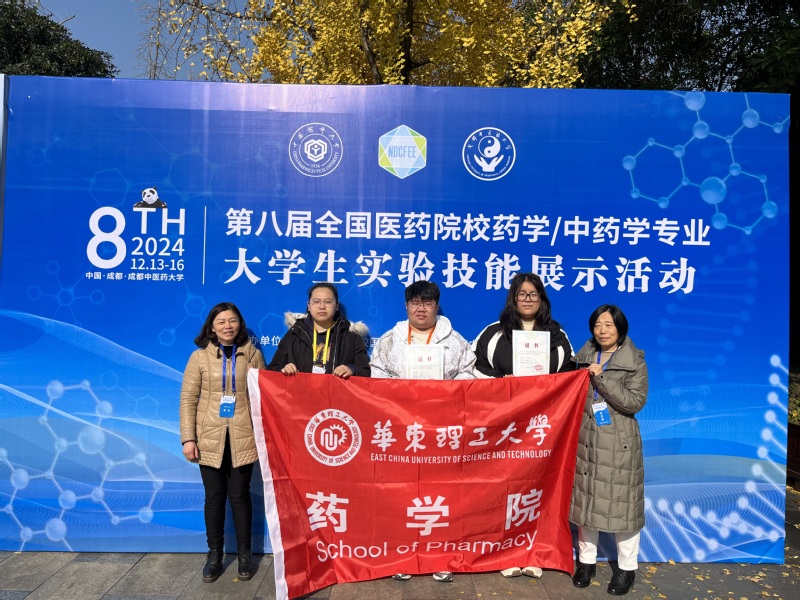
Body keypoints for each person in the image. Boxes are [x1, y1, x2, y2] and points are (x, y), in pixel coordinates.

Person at [370, 280, 476, 583]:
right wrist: (401, 395)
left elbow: (468, 375)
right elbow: (376, 375)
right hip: (402, 429)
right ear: (406, 306)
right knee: (401, 494)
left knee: (441, 494)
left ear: (436, 306)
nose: (421, 308)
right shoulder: (389, 340)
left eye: (427, 303)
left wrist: (445, 393)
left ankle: (440, 556)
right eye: (415, 302)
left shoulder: (455, 341)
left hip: (441, 429)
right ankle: (402, 555)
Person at [472, 272, 574, 579]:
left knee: (537, 486)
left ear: (542, 299)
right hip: (505, 423)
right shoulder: (493, 333)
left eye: (533, 294)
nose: (528, 299)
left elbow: (569, 373)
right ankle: (505, 552)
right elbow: (475, 368)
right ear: (513, 298)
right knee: (505, 486)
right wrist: (503, 383)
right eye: (522, 294)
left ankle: (533, 551)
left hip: (543, 425)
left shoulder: (557, 335)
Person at [180, 302, 266, 583]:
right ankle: (214, 554)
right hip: (209, 438)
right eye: (221, 322)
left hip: (243, 436)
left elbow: (263, 398)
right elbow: (188, 400)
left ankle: (244, 554)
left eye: (233, 320)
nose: (228, 326)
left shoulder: (252, 354)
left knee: (240, 497)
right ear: (212, 327)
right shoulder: (198, 358)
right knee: (214, 498)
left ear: (240, 324)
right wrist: (188, 438)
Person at [570, 305, 648, 596]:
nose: (602, 331)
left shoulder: (634, 362)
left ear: (620, 328)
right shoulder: (581, 358)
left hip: (619, 444)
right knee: (586, 503)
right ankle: (586, 563)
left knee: (622, 507)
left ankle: (626, 569)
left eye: (609, 325)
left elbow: (634, 402)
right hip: (586, 440)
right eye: (597, 325)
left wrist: (600, 378)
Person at [266, 282, 370, 379]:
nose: (322, 306)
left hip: (337, 392)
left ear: (336, 306)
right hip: (300, 392)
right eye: (316, 302)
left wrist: (351, 370)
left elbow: (365, 371)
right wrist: (284, 368)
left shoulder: (351, 336)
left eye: (328, 302)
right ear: (309, 306)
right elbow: (272, 368)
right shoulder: (295, 333)